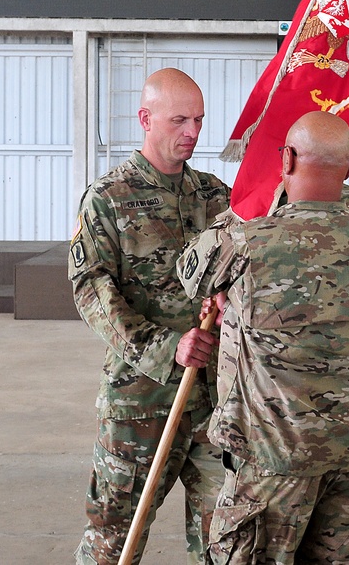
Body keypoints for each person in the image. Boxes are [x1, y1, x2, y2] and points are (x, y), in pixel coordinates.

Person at [177, 111, 349, 564]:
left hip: (273, 460)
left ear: (288, 159)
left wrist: (248, 202)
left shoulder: (247, 243)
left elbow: (190, 271)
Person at [68, 68, 231, 565]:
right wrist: (166, 347)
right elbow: (91, 289)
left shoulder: (217, 197)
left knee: (226, 537)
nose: (193, 133)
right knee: (114, 539)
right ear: (145, 118)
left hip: (216, 403)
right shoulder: (109, 198)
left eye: (199, 120)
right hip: (142, 402)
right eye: (179, 119)